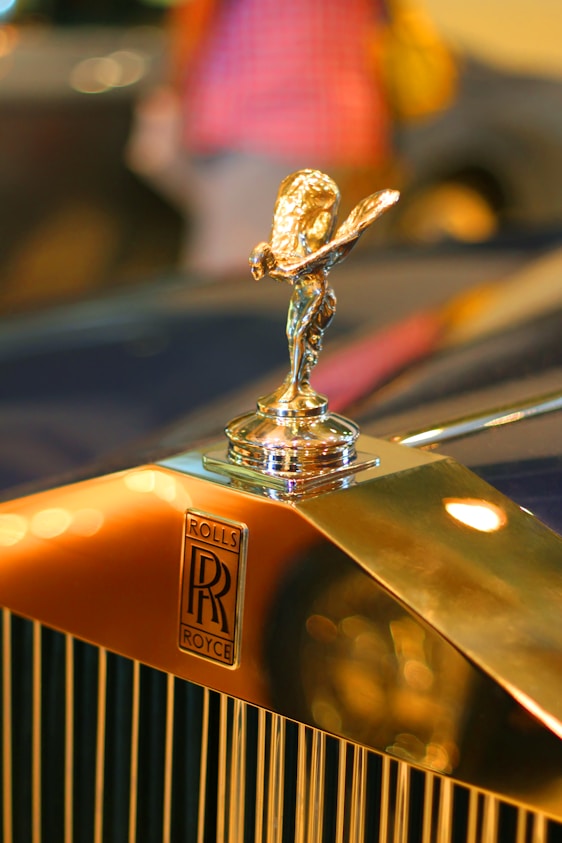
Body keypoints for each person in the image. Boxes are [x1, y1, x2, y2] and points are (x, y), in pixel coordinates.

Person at [127, 0, 392, 277]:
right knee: (329, 284)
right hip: (352, 127)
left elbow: (195, 15)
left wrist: (174, 92)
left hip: (261, 124)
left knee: (237, 287)